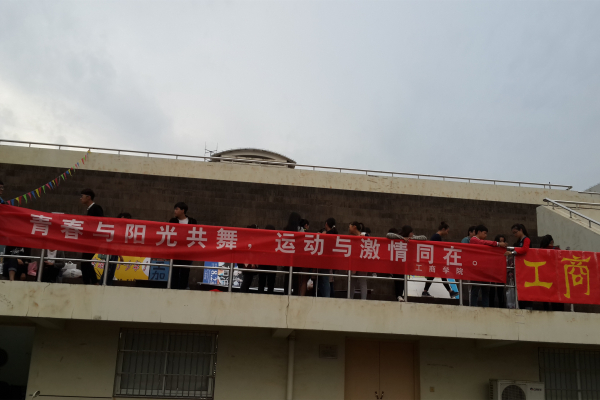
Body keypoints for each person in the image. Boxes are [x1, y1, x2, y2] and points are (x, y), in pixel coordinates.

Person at [468, 225, 507, 307]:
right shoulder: (473, 239)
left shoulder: (481, 241)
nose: (486, 235)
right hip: (477, 269)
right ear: (479, 232)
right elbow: (483, 243)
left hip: (484, 269)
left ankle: (486, 306)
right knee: (475, 290)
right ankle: (473, 306)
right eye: (485, 233)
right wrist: (497, 244)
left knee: (486, 290)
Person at [387, 226, 427, 301]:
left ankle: (400, 296)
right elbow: (388, 235)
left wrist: (411, 238)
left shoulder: (412, 237)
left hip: (405, 263)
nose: (413, 233)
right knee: (397, 280)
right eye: (411, 232)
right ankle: (398, 296)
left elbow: (424, 237)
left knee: (403, 280)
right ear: (408, 232)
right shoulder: (398, 237)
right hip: (397, 262)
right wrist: (402, 238)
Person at [422, 222, 459, 298]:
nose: (447, 233)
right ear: (443, 229)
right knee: (440, 276)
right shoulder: (437, 237)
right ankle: (450, 292)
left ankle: (425, 291)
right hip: (435, 261)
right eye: (447, 231)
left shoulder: (436, 236)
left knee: (434, 276)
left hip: (434, 260)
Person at [240, 224, 276, 295]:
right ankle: (269, 294)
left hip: (260, 263)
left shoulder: (260, 239)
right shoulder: (274, 240)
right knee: (270, 282)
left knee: (260, 281)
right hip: (268, 263)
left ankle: (259, 293)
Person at [168, 202, 197, 290]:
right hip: (175, 251)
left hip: (188, 251)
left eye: (177, 209)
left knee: (185, 271)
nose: (175, 211)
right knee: (174, 271)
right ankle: (173, 289)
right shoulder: (172, 221)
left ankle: (183, 289)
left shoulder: (192, 221)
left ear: (182, 210)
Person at [99, 213, 133, 285]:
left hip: (114, 252)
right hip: (111, 252)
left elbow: (118, 244)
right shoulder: (116, 227)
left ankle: (105, 284)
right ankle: (103, 284)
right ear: (122, 217)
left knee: (110, 271)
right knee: (108, 271)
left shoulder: (119, 227)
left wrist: (120, 256)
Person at [505, 223, 532, 309]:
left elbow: (525, 249)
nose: (515, 235)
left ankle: (527, 306)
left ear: (521, 230)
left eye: (516, 232)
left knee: (525, 288)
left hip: (526, 267)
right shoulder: (519, 241)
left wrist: (512, 252)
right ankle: (520, 305)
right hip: (520, 267)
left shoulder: (526, 239)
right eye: (513, 233)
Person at [80, 189, 104, 285]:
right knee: (84, 262)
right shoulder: (90, 209)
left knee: (85, 261)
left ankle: (94, 282)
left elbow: (101, 222)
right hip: (89, 240)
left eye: (82, 196)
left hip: (94, 240)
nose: (81, 198)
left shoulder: (96, 208)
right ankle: (89, 282)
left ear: (88, 197)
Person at [540, 235, 563, 311]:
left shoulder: (540, 250)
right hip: (555, 275)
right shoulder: (556, 249)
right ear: (552, 241)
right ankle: (557, 310)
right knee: (556, 294)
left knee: (545, 294)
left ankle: (546, 309)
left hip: (544, 275)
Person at [315, 218, 337, 298]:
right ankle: (326, 296)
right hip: (330, 259)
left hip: (325, 259)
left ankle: (327, 297)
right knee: (325, 279)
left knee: (325, 279)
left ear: (326, 224)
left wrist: (321, 235)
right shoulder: (334, 233)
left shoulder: (327, 234)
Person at [283, 212, 303, 295]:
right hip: (297, 257)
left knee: (287, 277)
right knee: (296, 278)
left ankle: (286, 293)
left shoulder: (285, 229)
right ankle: (295, 295)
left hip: (287, 257)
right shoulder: (300, 230)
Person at [349, 221, 368, 300]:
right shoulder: (351, 238)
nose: (349, 229)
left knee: (362, 282)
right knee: (351, 282)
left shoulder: (364, 235)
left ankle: (363, 300)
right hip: (354, 262)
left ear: (354, 227)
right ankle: (350, 298)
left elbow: (369, 242)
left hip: (362, 262)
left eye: (350, 226)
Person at [489, 234, 508, 308]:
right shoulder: (493, 249)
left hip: (501, 270)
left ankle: (501, 305)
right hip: (493, 270)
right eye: (500, 241)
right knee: (492, 288)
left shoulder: (505, 250)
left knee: (501, 289)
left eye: (503, 241)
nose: (502, 243)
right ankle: (491, 305)